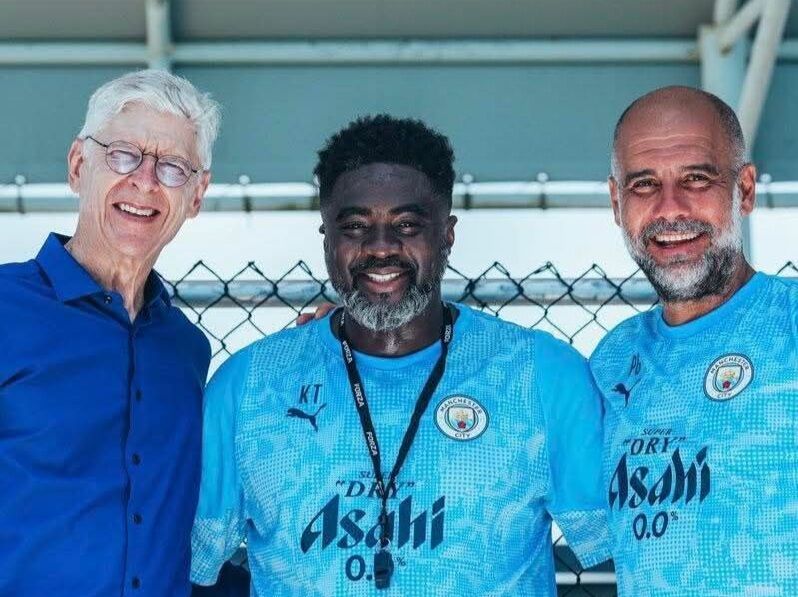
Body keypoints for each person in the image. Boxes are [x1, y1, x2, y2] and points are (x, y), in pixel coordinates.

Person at [190, 114, 610, 596]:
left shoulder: (543, 377)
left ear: (447, 234)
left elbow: (625, 558)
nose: (381, 247)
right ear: (327, 238)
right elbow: (193, 570)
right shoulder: (249, 387)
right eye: (355, 226)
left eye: (407, 224)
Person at [0, 69, 220, 596]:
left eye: (173, 167)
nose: (145, 181)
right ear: (79, 165)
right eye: (123, 155)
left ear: (196, 195)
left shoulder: (188, 350)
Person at [591, 86, 798, 595]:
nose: (670, 208)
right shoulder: (612, 362)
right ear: (617, 202)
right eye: (644, 184)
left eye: (696, 179)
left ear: (744, 191)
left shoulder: (790, 321)